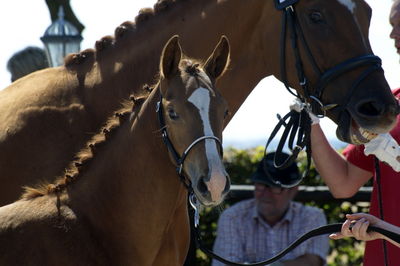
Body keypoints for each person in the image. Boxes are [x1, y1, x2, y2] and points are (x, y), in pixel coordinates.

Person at [310, 2, 400, 265]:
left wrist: (387, 230)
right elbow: (343, 183)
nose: (392, 35)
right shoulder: (391, 106)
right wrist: (311, 120)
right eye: (392, 26)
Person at [212, 152, 329, 266]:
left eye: (274, 187)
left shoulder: (312, 217)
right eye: (261, 185)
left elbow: (314, 262)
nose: (266, 194)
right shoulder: (232, 217)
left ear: (293, 190)